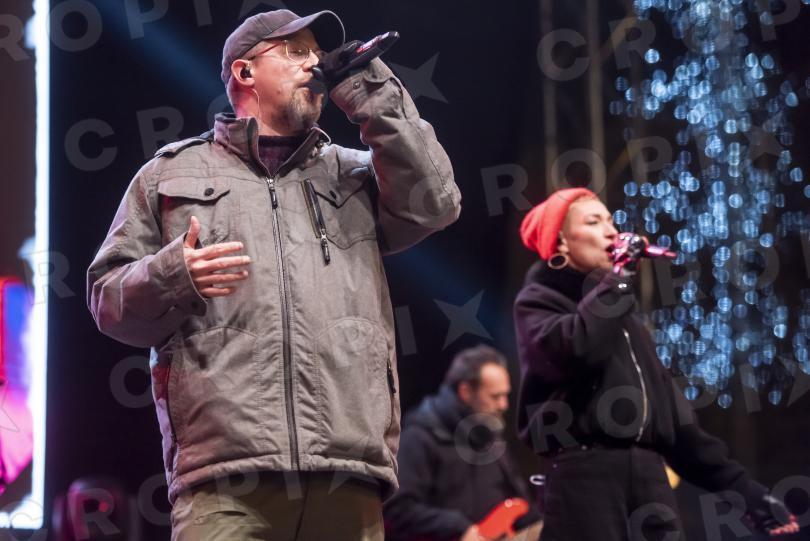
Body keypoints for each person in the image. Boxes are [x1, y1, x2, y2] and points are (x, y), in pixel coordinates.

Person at [87, 9, 460, 541]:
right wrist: (173, 274)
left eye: (318, 54)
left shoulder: (356, 172)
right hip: (225, 480)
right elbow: (107, 300)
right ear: (244, 72)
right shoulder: (168, 174)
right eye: (296, 51)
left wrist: (368, 89)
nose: (315, 64)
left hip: (346, 469)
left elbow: (437, 203)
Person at [513, 188, 799, 540]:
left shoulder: (626, 322)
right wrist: (619, 278)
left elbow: (677, 427)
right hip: (585, 480)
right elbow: (580, 349)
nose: (612, 232)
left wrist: (747, 494)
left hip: (650, 482)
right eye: (593, 222)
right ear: (560, 242)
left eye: (611, 221)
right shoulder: (539, 302)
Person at [384, 345, 542, 541]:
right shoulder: (419, 437)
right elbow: (397, 509)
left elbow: (521, 505)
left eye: (505, 395)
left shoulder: (490, 436)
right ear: (466, 391)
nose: (504, 405)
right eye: (495, 396)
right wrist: (456, 528)